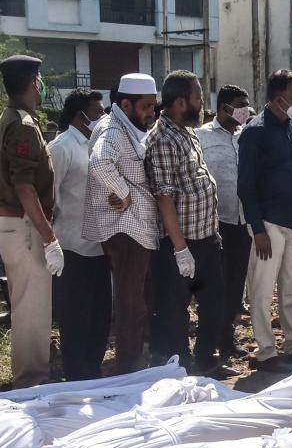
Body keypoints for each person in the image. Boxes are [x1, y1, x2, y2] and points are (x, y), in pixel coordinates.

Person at [85, 72, 191, 375]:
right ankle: (128, 369)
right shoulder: (113, 130)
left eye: (153, 106)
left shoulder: (127, 126)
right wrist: (124, 193)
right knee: (132, 304)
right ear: (126, 104)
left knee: (140, 300)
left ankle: (134, 362)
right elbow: (99, 164)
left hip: (136, 228)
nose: (151, 113)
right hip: (125, 228)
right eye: (146, 107)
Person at [0, 54, 63, 387]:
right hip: (26, 227)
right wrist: (50, 238)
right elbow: (23, 186)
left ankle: (30, 379)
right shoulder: (21, 124)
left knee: (29, 307)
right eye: (40, 79)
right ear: (34, 82)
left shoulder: (11, 118)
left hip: (20, 225)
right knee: (32, 311)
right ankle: (31, 383)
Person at [146, 71, 228, 378]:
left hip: (206, 236)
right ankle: (181, 366)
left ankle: (205, 358)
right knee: (176, 309)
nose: (202, 103)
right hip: (180, 243)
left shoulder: (187, 133)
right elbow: (164, 197)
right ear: (181, 102)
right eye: (198, 98)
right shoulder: (163, 139)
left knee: (214, 303)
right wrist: (181, 249)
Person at [237, 69, 292, 372]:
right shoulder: (255, 132)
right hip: (268, 223)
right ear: (278, 98)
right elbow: (245, 186)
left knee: (291, 287)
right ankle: (267, 352)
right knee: (262, 290)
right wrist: (258, 230)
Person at [48, 88, 110, 380]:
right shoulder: (61, 148)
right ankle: (75, 377)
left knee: (100, 318)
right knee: (75, 320)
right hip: (71, 247)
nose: (102, 118)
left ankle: (92, 372)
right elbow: (47, 199)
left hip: (100, 247)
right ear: (79, 116)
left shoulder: (98, 145)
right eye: (97, 113)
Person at [197, 84, 253, 359]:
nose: (245, 110)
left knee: (235, 284)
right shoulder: (201, 137)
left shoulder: (246, 136)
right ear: (224, 108)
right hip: (215, 224)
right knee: (215, 286)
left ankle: (227, 338)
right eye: (240, 105)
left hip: (243, 221)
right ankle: (208, 341)